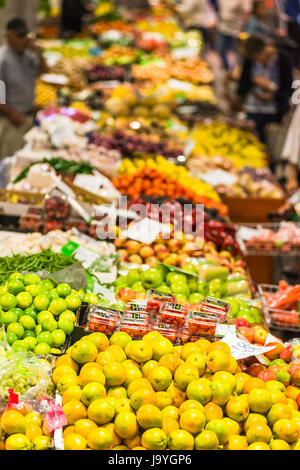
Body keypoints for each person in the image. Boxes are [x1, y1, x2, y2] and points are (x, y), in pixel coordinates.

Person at [0, 18, 48, 160]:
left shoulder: (27, 55)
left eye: (24, 36)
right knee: (10, 161)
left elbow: (43, 73)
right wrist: (13, 114)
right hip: (10, 121)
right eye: (19, 36)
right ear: (9, 36)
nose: (23, 40)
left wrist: (39, 54)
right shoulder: (2, 60)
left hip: (27, 117)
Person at [236, 33, 293, 143]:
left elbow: (288, 88)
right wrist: (253, 81)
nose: (258, 61)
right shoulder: (250, 60)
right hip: (253, 109)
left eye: (258, 57)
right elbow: (243, 84)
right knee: (251, 142)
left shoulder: (283, 59)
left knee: (271, 144)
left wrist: (272, 91)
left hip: (275, 112)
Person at [216, 0, 252, 71]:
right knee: (220, 49)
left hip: (236, 29)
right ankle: (227, 70)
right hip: (223, 27)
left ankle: (235, 71)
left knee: (236, 53)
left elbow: (247, 12)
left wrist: (244, 27)